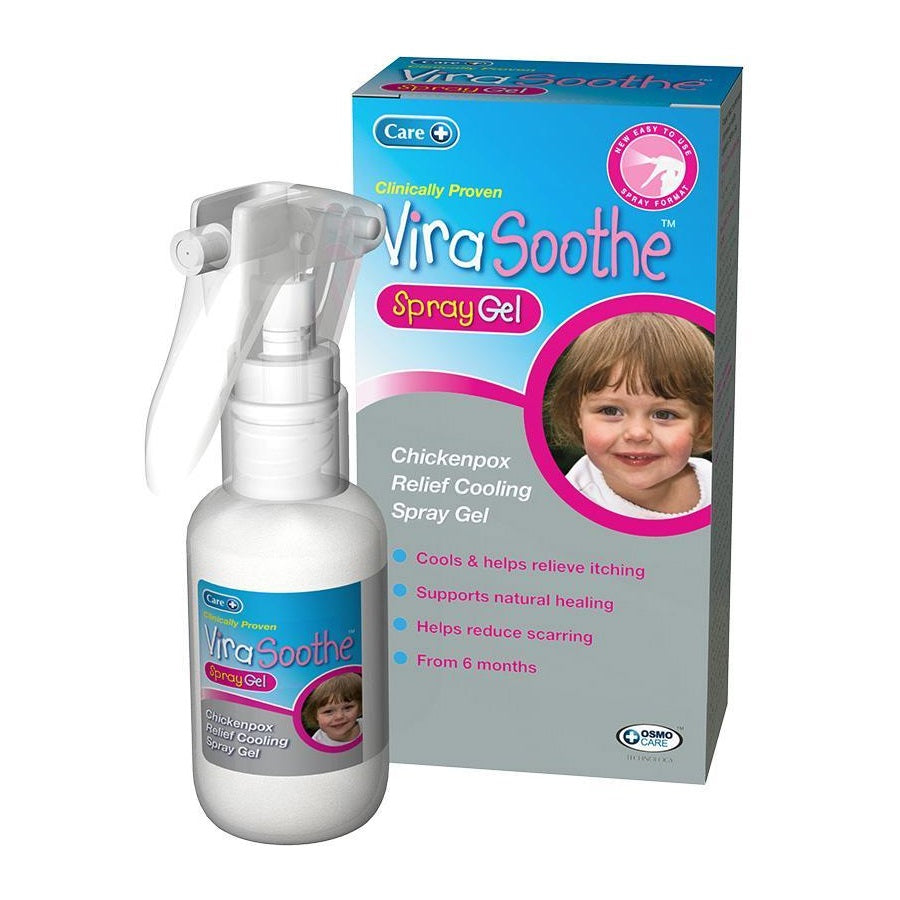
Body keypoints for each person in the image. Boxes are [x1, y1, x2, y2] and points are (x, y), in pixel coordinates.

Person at [547, 313, 713, 519]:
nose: (637, 433)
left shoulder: (716, 483)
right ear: (577, 414)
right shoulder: (566, 509)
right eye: (610, 411)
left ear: (702, 424)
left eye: (664, 414)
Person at [302, 672, 363, 746]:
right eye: (328, 711)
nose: (339, 716)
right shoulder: (316, 742)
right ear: (315, 715)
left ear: (360, 708)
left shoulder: (370, 727)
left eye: (347, 707)